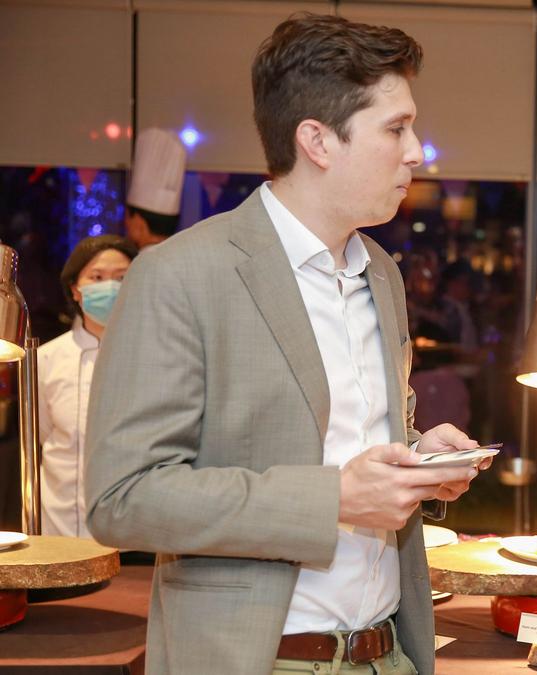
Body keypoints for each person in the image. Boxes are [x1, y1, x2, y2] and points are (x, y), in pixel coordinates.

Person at [85, 14, 488, 674]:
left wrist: (418, 459)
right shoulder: (183, 274)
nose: (417, 151)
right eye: (396, 128)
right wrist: (333, 500)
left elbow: (350, 442)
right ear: (318, 141)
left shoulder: (380, 273)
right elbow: (123, 498)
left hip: (388, 652)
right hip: (258, 658)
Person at [37, 235, 137, 538]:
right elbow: (43, 435)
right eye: (97, 277)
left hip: (134, 538)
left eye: (122, 278)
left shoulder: (155, 355)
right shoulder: (46, 359)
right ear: (75, 289)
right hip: (62, 530)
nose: (110, 286)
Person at [124, 127, 186, 251]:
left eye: (127, 218)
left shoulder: (138, 261)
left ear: (139, 224)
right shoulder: (182, 256)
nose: (125, 224)